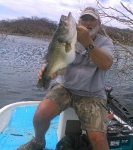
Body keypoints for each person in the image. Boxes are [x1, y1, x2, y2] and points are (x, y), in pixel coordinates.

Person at [18, 7, 114, 150]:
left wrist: (87, 42)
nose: (88, 22)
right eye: (84, 19)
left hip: (92, 94)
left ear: (99, 23)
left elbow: (106, 64)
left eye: (92, 19)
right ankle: (38, 142)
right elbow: (55, 55)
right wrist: (48, 69)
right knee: (40, 115)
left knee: (98, 138)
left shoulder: (105, 42)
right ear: (79, 22)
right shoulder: (69, 37)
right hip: (65, 87)